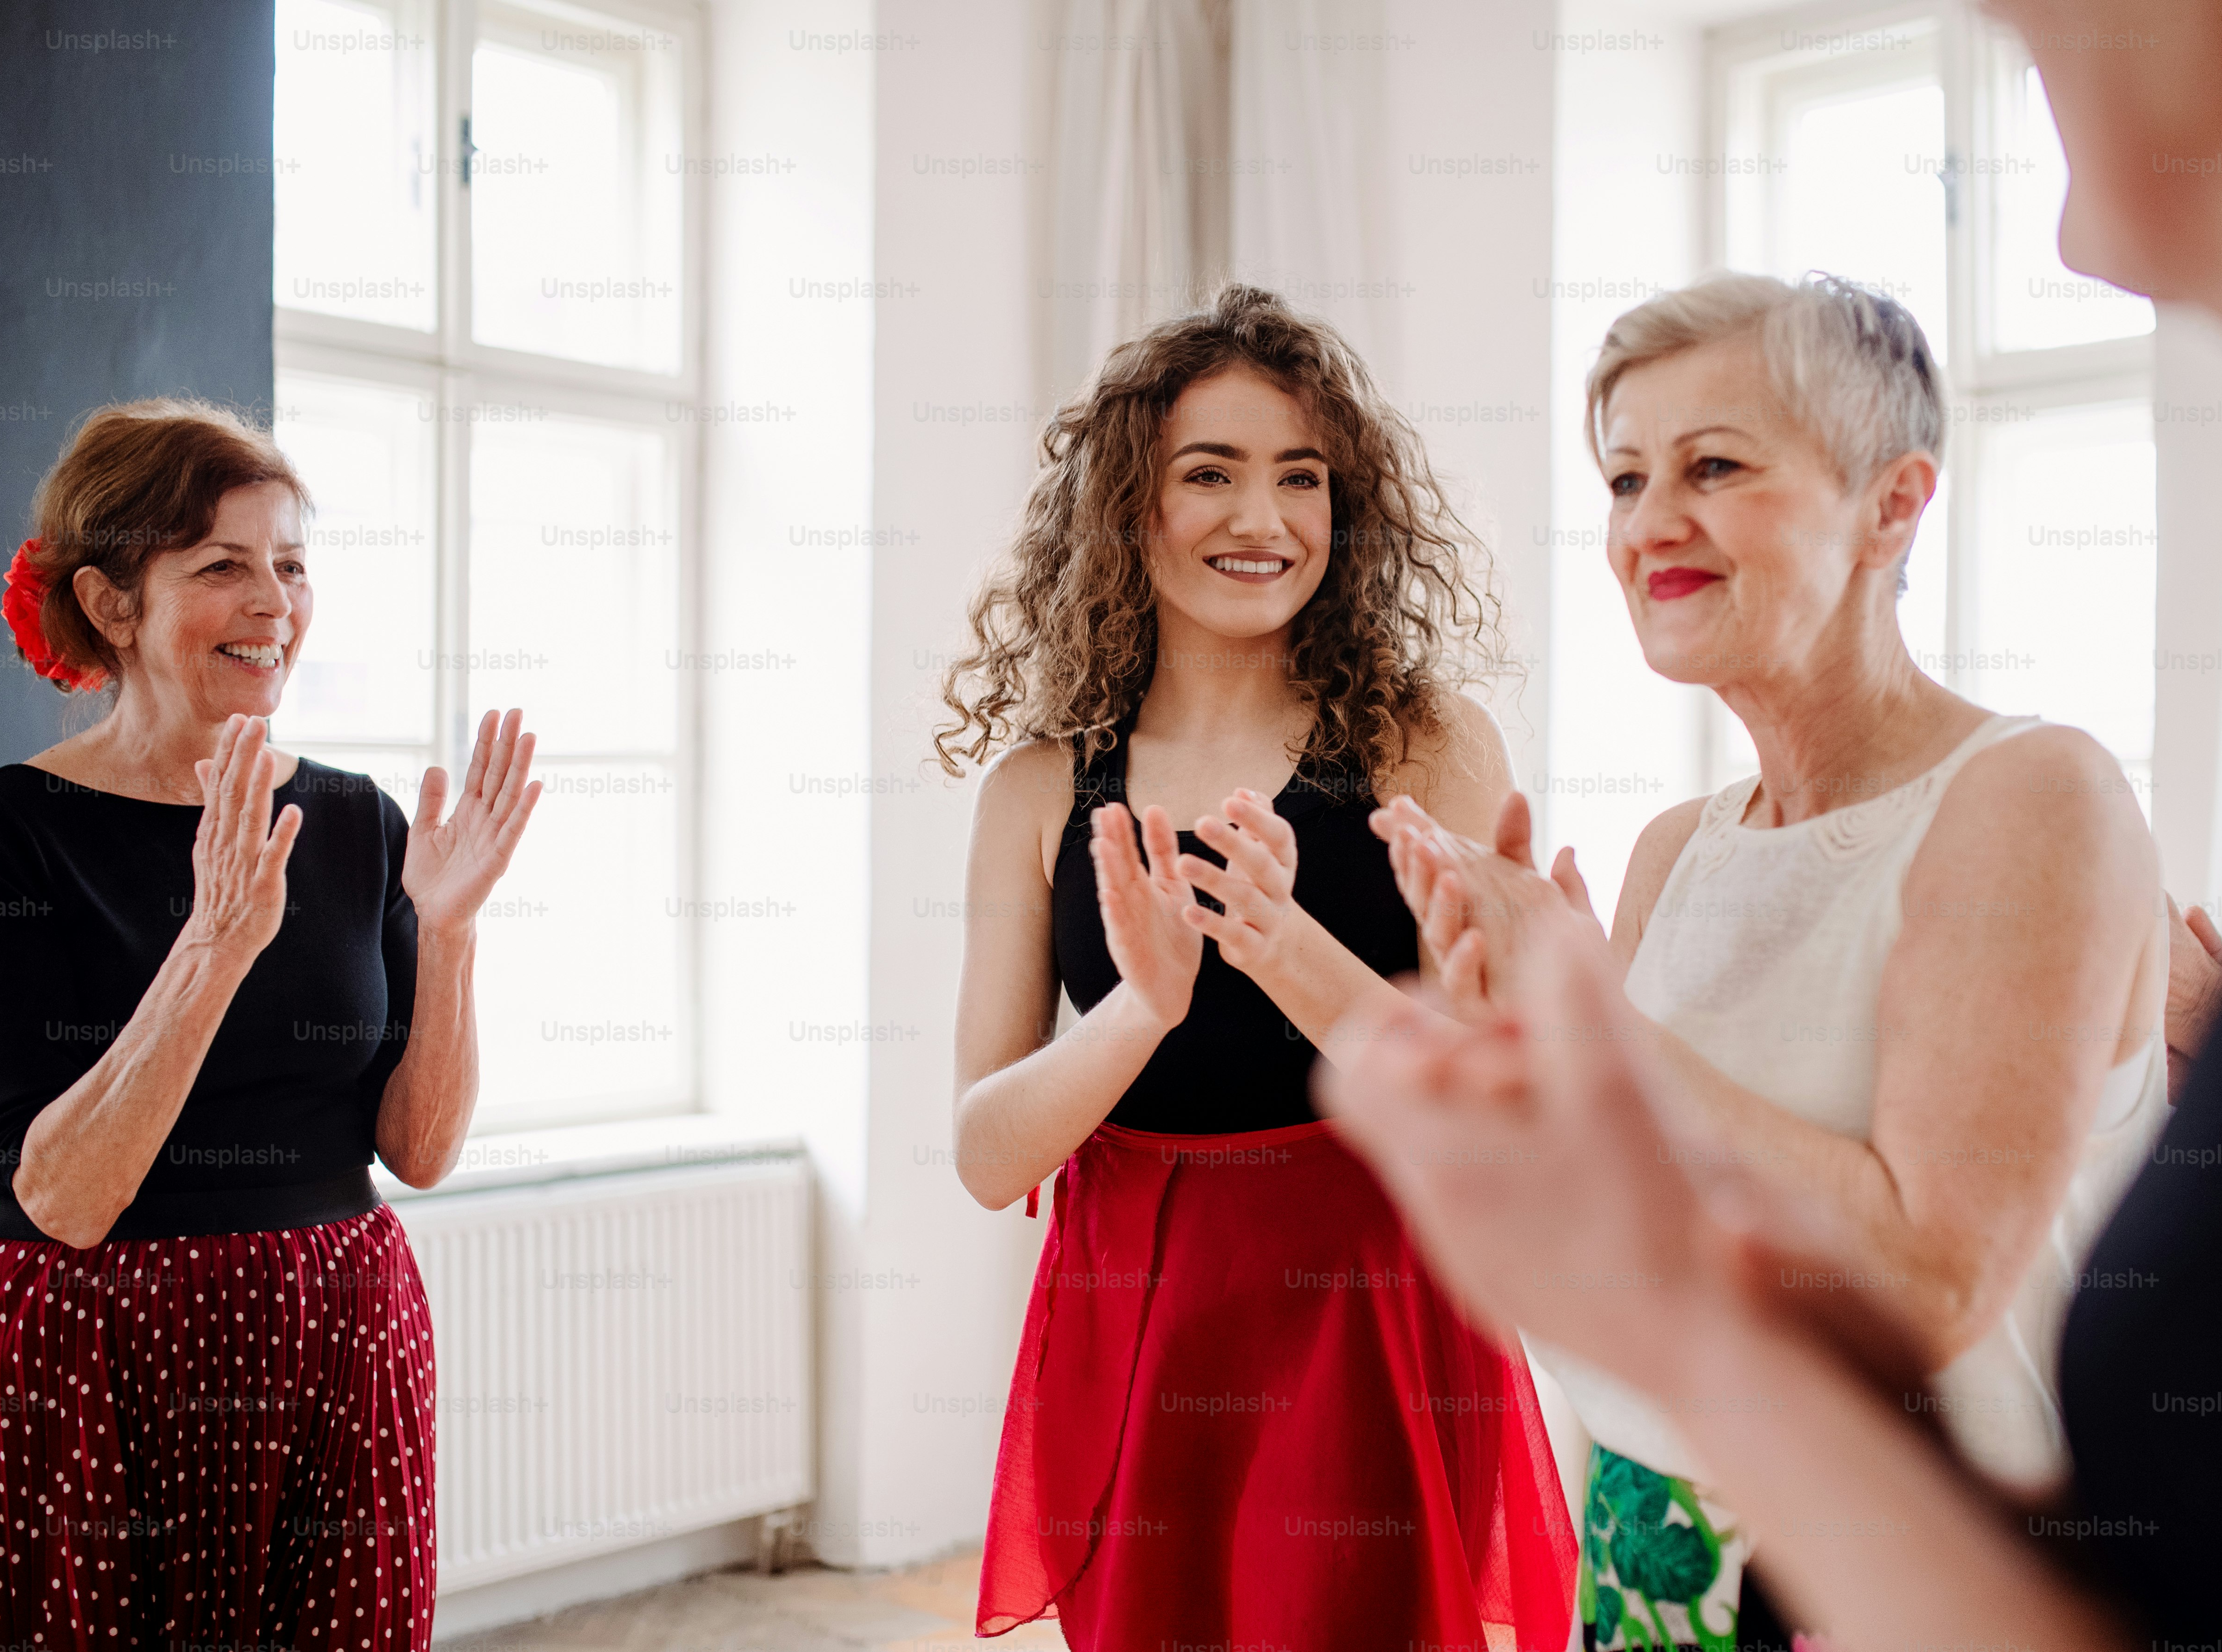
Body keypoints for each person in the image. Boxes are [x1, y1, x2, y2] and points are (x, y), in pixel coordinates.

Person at [1320, 1, 2222, 1644]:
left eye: (1715, 465)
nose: (1652, 522)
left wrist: (1596, 1015)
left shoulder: (2033, 795)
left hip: (1915, 1562)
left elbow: (1931, 1279)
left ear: (1897, 501)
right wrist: (1514, 1042)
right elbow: (1660, 1210)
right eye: (1622, 477)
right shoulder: (1676, 846)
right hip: (1653, 1531)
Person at [937, 286, 1577, 1648]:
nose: (1263, 518)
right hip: (1138, 1325)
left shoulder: (1430, 747)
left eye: (1302, 477)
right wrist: (1142, 1014)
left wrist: (1289, 954)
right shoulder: (1038, 790)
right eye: (1209, 474)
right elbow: (989, 1152)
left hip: (1378, 1312)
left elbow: (1503, 1104)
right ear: (1129, 509)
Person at [0, 401, 540, 1650]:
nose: (274, 603)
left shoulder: (359, 821)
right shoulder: (14, 832)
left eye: (290, 565)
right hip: (97, 1363)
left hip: (339, 1332)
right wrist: (214, 946)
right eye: (223, 566)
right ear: (113, 601)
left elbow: (423, 1149)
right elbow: (63, 1197)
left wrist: (448, 935)